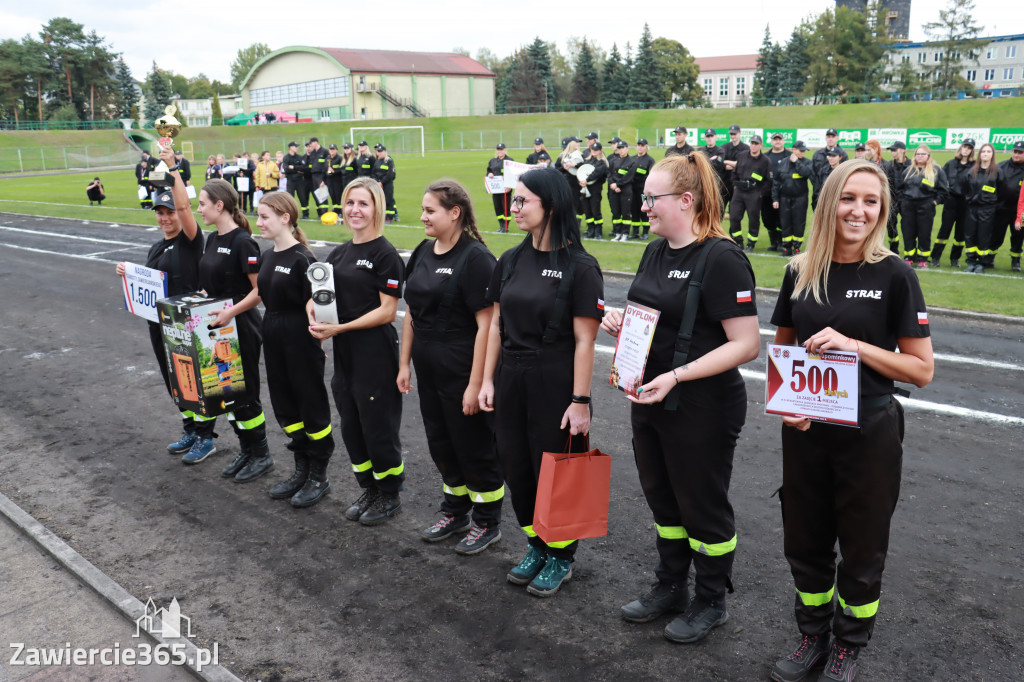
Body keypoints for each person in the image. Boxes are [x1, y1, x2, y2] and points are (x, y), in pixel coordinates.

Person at [768, 159, 933, 682]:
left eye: (870, 202)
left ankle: (849, 645)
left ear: (881, 211)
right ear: (829, 202)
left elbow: (922, 369)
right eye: (848, 198)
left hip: (870, 430)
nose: (858, 211)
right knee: (805, 540)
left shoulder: (895, 274)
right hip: (807, 431)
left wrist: (855, 345)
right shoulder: (799, 270)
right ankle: (812, 636)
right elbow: (783, 350)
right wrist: (785, 402)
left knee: (862, 546)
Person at [602, 152, 760, 644]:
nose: (643, 204)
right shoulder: (655, 251)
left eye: (653, 197)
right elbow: (655, 320)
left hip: (702, 406)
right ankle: (670, 585)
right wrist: (621, 325)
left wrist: (678, 375)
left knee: (701, 505)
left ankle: (711, 600)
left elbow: (747, 344)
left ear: (686, 200)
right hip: (649, 397)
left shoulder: (722, 257)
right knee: (664, 500)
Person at [478, 167, 604, 598]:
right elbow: (496, 323)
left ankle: (561, 556)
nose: (513, 208)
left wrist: (581, 401)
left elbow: (586, 339)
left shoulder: (581, 267)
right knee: (516, 465)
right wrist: (488, 380)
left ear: (549, 205)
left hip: (555, 377)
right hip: (511, 374)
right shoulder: (511, 259)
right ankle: (535, 544)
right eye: (513, 200)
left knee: (558, 470)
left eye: (522, 201)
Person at [398, 180, 505, 553]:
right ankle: (455, 510)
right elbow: (411, 310)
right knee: (441, 443)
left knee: (474, 445)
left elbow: (487, 326)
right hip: (429, 370)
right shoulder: (423, 252)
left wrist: (476, 384)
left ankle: (488, 521)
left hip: (462, 369)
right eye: (424, 209)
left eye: (430, 210)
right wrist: (404, 363)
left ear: (454, 213)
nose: (423, 216)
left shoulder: (476, 259)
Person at [310, 177, 406, 525]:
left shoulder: (386, 254)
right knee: (351, 424)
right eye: (350, 203)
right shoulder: (339, 252)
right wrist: (313, 309)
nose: (355, 210)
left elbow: (387, 311)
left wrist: (341, 328)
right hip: (345, 351)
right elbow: (322, 294)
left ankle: (390, 493)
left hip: (374, 350)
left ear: (377, 207)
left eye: (363, 203)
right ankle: (370, 487)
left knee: (378, 425)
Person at [184, 178, 273, 483]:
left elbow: (260, 290)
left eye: (203, 204)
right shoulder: (212, 238)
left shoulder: (243, 242)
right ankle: (246, 450)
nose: (199, 210)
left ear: (219, 205)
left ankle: (261, 455)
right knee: (227, 392)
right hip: (217, 330)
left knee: (246, 393)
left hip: (241, 328)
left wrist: (230, 311)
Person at [115, 146, 202, 455]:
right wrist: (129, 272)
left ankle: (205, 437)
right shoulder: (156, 247)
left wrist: (172, 167)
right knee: (172, 376)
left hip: (185, 320)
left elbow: (187, 208)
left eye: (171, 212)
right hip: (159, 321)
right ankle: (189, 428)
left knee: (193, 376)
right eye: (161, 213)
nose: (166, 218)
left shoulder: (191, 241)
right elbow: (150, 281)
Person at [255, 192, 335, 507]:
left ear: (285, 218)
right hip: (273, 338)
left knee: (311, 406)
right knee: (285, 406)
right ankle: (301, 469)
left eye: (264, 216)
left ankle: (319, 475)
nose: (258, 222)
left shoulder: (306, 259)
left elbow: (324, 308)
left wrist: (318, 336)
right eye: (258, 216)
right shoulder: (266, 255)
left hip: (300, 341)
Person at [899, 146, 948, 268]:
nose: (920, 156)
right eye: (918, 154)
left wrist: (934, 202)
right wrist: (902, 204)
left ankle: (922, 259)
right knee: (908, 233)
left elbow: (943, 191)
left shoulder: (936, 171)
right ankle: (909, 257)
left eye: (923, 154)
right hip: (908, 206)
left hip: (926, 207)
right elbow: (900, 189)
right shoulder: (908, 171)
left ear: (928, 156)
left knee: (924, 233)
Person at [933, 140, 975, 268]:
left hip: (965, 203)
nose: (966, 150)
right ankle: (935, 257)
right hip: (951, 201)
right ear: (960, 148)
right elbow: (941, 180)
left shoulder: (974, 166)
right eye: (964, 147)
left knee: (960, 234)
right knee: (944, 230)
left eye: (969, 148)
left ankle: (955, 258)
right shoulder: (950, 164)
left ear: (972, 151)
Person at [726, 135, 771, 252]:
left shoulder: (765, 161)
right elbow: (734, 172)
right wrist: (735, 184)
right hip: (739, 191)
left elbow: (769, 180)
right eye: (752, 143)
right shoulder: (741, 155)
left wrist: (761, 193)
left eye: (756, 143)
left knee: (753, 219)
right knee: (734, 217)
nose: (753, 145)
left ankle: (751, 244)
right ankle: (737, 241)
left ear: (761, 145)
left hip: (754, 193)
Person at [963, 143, 999, 274]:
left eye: (988, 152)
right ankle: (971, 262)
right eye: (983, 151)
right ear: (980, 154)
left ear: (992, 154)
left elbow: (1001, 191)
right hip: (972, 209)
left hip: (987, 210)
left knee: (983, 236)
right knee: (970, 235)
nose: (985, 154)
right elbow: (965, 189)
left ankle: (981, 263)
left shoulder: (997, 172)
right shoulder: (972, 171)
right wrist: (970, 200)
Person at [772, 141, 813, 257]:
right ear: (794, 150)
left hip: (800, 199)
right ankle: (787, 248)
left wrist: (796, 162)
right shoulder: (783, 163)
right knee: (785, 223)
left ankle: (797, 248)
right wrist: (775, 199)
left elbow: (805, 173)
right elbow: (776, 181)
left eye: (804, 151)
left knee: (798, 223)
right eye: (801, 150)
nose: (803, 153)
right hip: (785, 198)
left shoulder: (806, 163)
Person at [991, 140, 1024, 272]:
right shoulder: (1001, 166)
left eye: (1020, 153)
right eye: (1015, 152)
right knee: (996, 234)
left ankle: (1015, 261)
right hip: (1001, 208)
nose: (1016, 155)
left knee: (1018, 236)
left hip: (1020, 210)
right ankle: (989, 257)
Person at [763, 133, 790, 252]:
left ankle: (780, 242)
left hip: (783, 193)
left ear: (783, 141)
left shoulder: (789, 156)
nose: (777, 141)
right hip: (767, 193)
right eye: (775, 139)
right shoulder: (765, 156)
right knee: (767, 218)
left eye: (779, 139)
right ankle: (773, 242)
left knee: (781, 218)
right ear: (771, 141)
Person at [608, 141, 637, 240]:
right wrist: (612, 184)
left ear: (627, 148)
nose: (621, 150)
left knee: (626, 212)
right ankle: (617, 233)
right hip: (613, 189)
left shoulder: (632, 161)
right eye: (619, 148)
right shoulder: (613, 161)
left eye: (623, 148)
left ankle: (625, 233)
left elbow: (629, 176)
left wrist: (618, 184)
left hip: (625, 190)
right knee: (616, 212)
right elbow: (610, 174)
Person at [580, 142, 609, 240]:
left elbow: (597, 173)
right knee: (587, 210)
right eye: (592, 150)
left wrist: (586, 180)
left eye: (596, 150)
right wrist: (581, 181)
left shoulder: (601, 163)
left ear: (600, 151)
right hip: (585, 188)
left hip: (595, 189)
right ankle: (590, 229)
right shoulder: (587, 161)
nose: (594, 152)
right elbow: (582, 172)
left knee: (595, 210)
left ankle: (598, 231)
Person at [885, 142, 910, 253]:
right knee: (891, 227)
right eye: (892, 150)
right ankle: (893, 250)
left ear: (903, 150)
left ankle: (909, 253)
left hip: (907, 201)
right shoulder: (889, 165)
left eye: (895, 150)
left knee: (908, 228)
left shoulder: (911, 165)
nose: (893, 152)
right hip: (892, 201)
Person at [631, 139, 656, 239]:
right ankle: (635, 231)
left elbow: (651, 175)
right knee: (634, 210)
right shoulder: (632, 159)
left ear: (646, 147)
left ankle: (645, 232)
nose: (640, 147)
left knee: (644, 211)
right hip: (631, 189)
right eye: (638, 145)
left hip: (643, 190)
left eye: (642, 145)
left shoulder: (650, 160)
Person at [487, 143, 514, 232]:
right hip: (495, 189)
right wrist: (489, 174)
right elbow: (489, 171)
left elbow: (513, 174)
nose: (500, 151)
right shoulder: (492, 161)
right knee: (497, 207)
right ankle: (501, 225)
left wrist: (510, 186)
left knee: (505, 207)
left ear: (505, 150)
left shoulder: (509, 160)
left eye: (501, 149)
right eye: (498, 149)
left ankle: (506, 227)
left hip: (505, 189)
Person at [722, 124, 749, 207]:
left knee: (735, 212)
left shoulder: (746, 148)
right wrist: (736, 165)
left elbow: (744, 165)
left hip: (738, 184)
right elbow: (721, 164)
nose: (733, 136)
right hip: (725, 183)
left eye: (735, 134)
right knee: (720, 210)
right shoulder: (724, 147)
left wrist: (727, 161)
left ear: (740, 133)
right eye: (731, 134)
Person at [371, 143, 398, 222]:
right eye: (378, 151)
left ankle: (389, 218)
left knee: (388, 200)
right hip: (379, 184)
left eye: (381, 151)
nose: (379, 153)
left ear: (385, 151)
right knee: (381, 201)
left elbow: (390, 174)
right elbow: (373, 173)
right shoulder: (377, 161)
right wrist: (377, 181)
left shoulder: (389, 161)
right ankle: (383, 217)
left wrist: (382, 182)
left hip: (387, 184)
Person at [282, 142, 309, 219]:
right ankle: (290, 214)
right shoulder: (286, 157)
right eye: (295, 146)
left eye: (297, 146)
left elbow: (303, 168)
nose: (297, 148)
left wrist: (293, 167)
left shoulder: (299, 157)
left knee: (302, 197)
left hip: (299, 180)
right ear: (290, 147)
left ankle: (305, 214)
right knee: (290, 198)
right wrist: (297, 170)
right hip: (290, 181)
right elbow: (286, 169)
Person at [306, 137, 329, 217]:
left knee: (323, 195)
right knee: (317, 196)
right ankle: (320, 213)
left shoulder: (325, 151)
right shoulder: (313, 153)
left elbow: (327, 165)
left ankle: (325, 214)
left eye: (311, 143)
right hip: (314, 176)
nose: (310, 145)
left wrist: (323, 179)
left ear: (316, 142)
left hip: (321, 175)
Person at [325, 143, 344, 213]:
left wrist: (334, 171)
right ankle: (335, 210)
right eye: (330, 149)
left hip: (337, 180)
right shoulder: (327, 159)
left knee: (338, 195)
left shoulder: (340, 159)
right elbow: (324, 169)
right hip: (329, 180)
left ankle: (340, 211)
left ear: (336, 150)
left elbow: (342, 169)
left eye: (333, 149)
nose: (332, 151)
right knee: (332, 195)